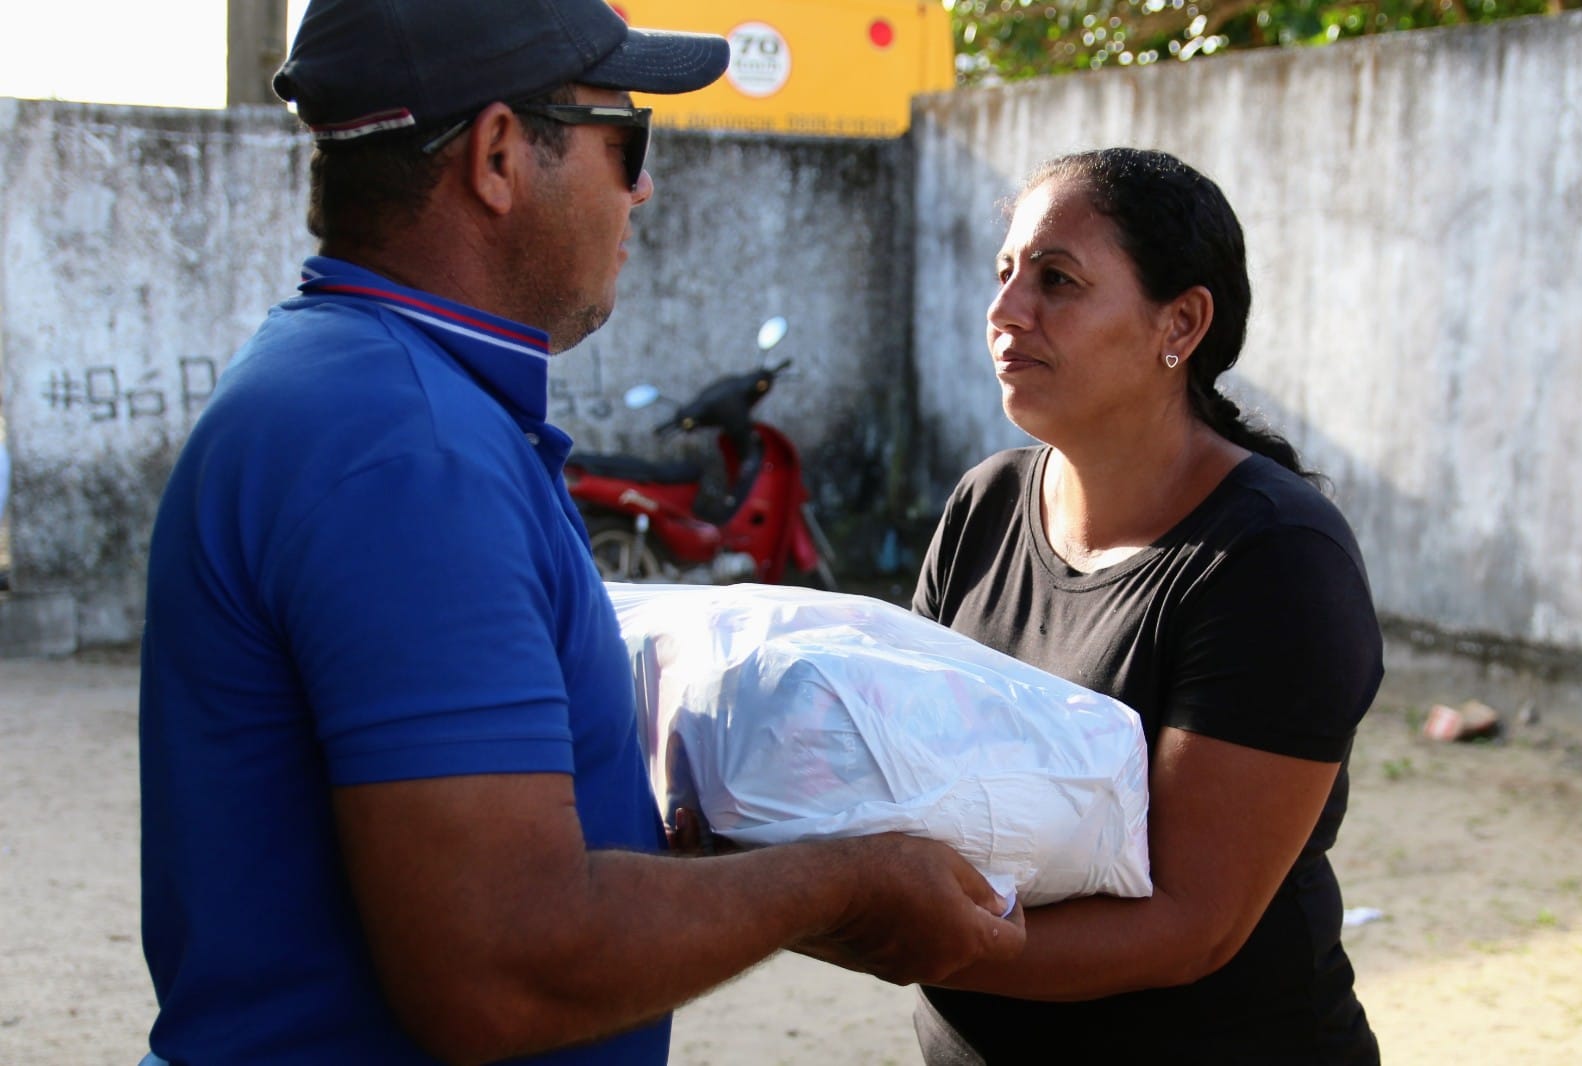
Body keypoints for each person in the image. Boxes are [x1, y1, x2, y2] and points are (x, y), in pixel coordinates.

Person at [136, 2, 1023, 1064]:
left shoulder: (364, 391)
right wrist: (850, 877)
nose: (641, 185)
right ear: (500, 154)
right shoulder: (409, 448)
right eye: (624, 138)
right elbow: (504, 969)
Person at [910, 147, 1384, 1064]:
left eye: (1057, 280)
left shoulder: (1274, 559)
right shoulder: (986, 505)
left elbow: (1190, 924)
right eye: (1005, 273)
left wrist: (908, 936)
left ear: (1183, 322)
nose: (1006, 312)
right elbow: (908, 766)